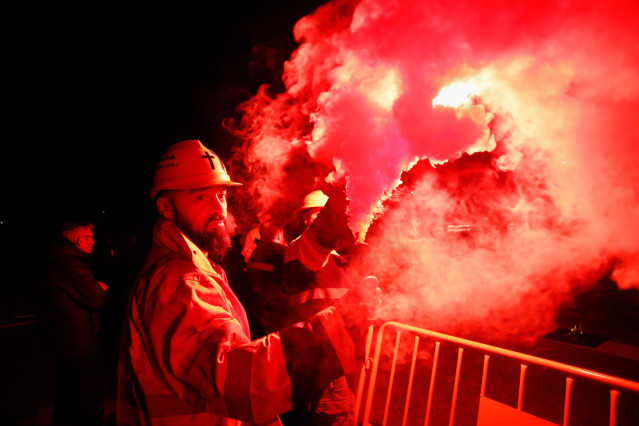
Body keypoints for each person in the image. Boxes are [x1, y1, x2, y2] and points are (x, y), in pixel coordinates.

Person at [116, 139, 381, 425]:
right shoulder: (179, 280)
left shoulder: (192, 266)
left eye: (221, 195)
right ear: (166, 208)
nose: (218, 208)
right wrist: (340, 327)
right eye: (200, 197)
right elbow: (236, 380)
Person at [282, 190, 359, 426]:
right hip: (320, 355)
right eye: (314, 215)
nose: (320, 220)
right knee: (332, 417)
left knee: (348, 412)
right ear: (304, 219)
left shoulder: (340, 260)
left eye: (323, 214)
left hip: (343, 353)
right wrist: (341, 192)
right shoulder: (299, 249)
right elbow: (318, 243)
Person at [39, 220, 109, 425]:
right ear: (80, 240)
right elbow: (96, 299)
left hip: (62, 338)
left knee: (67, 394)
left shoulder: (55, 259)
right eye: (91, 237)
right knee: (89, 398)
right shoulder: (72, 264)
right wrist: (101, 288)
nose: (94, 242)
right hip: (78, 341)